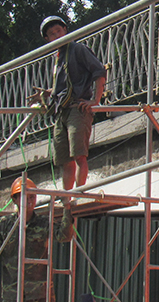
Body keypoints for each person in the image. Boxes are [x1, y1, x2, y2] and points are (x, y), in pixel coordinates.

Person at [32, 15, 107, 191]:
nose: (56, 35)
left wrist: (95, 100)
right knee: (65, 161)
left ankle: (79, 195)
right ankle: (67, 200)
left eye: (59, 31)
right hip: (61, 111)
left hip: (77, 109)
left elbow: (99, 71)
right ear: (47, 39)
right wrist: (47, 94)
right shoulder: (58, 59)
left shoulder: (78, 49)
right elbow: (65, 88)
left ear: (65, 30)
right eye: (52, 34)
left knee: (79, 156)